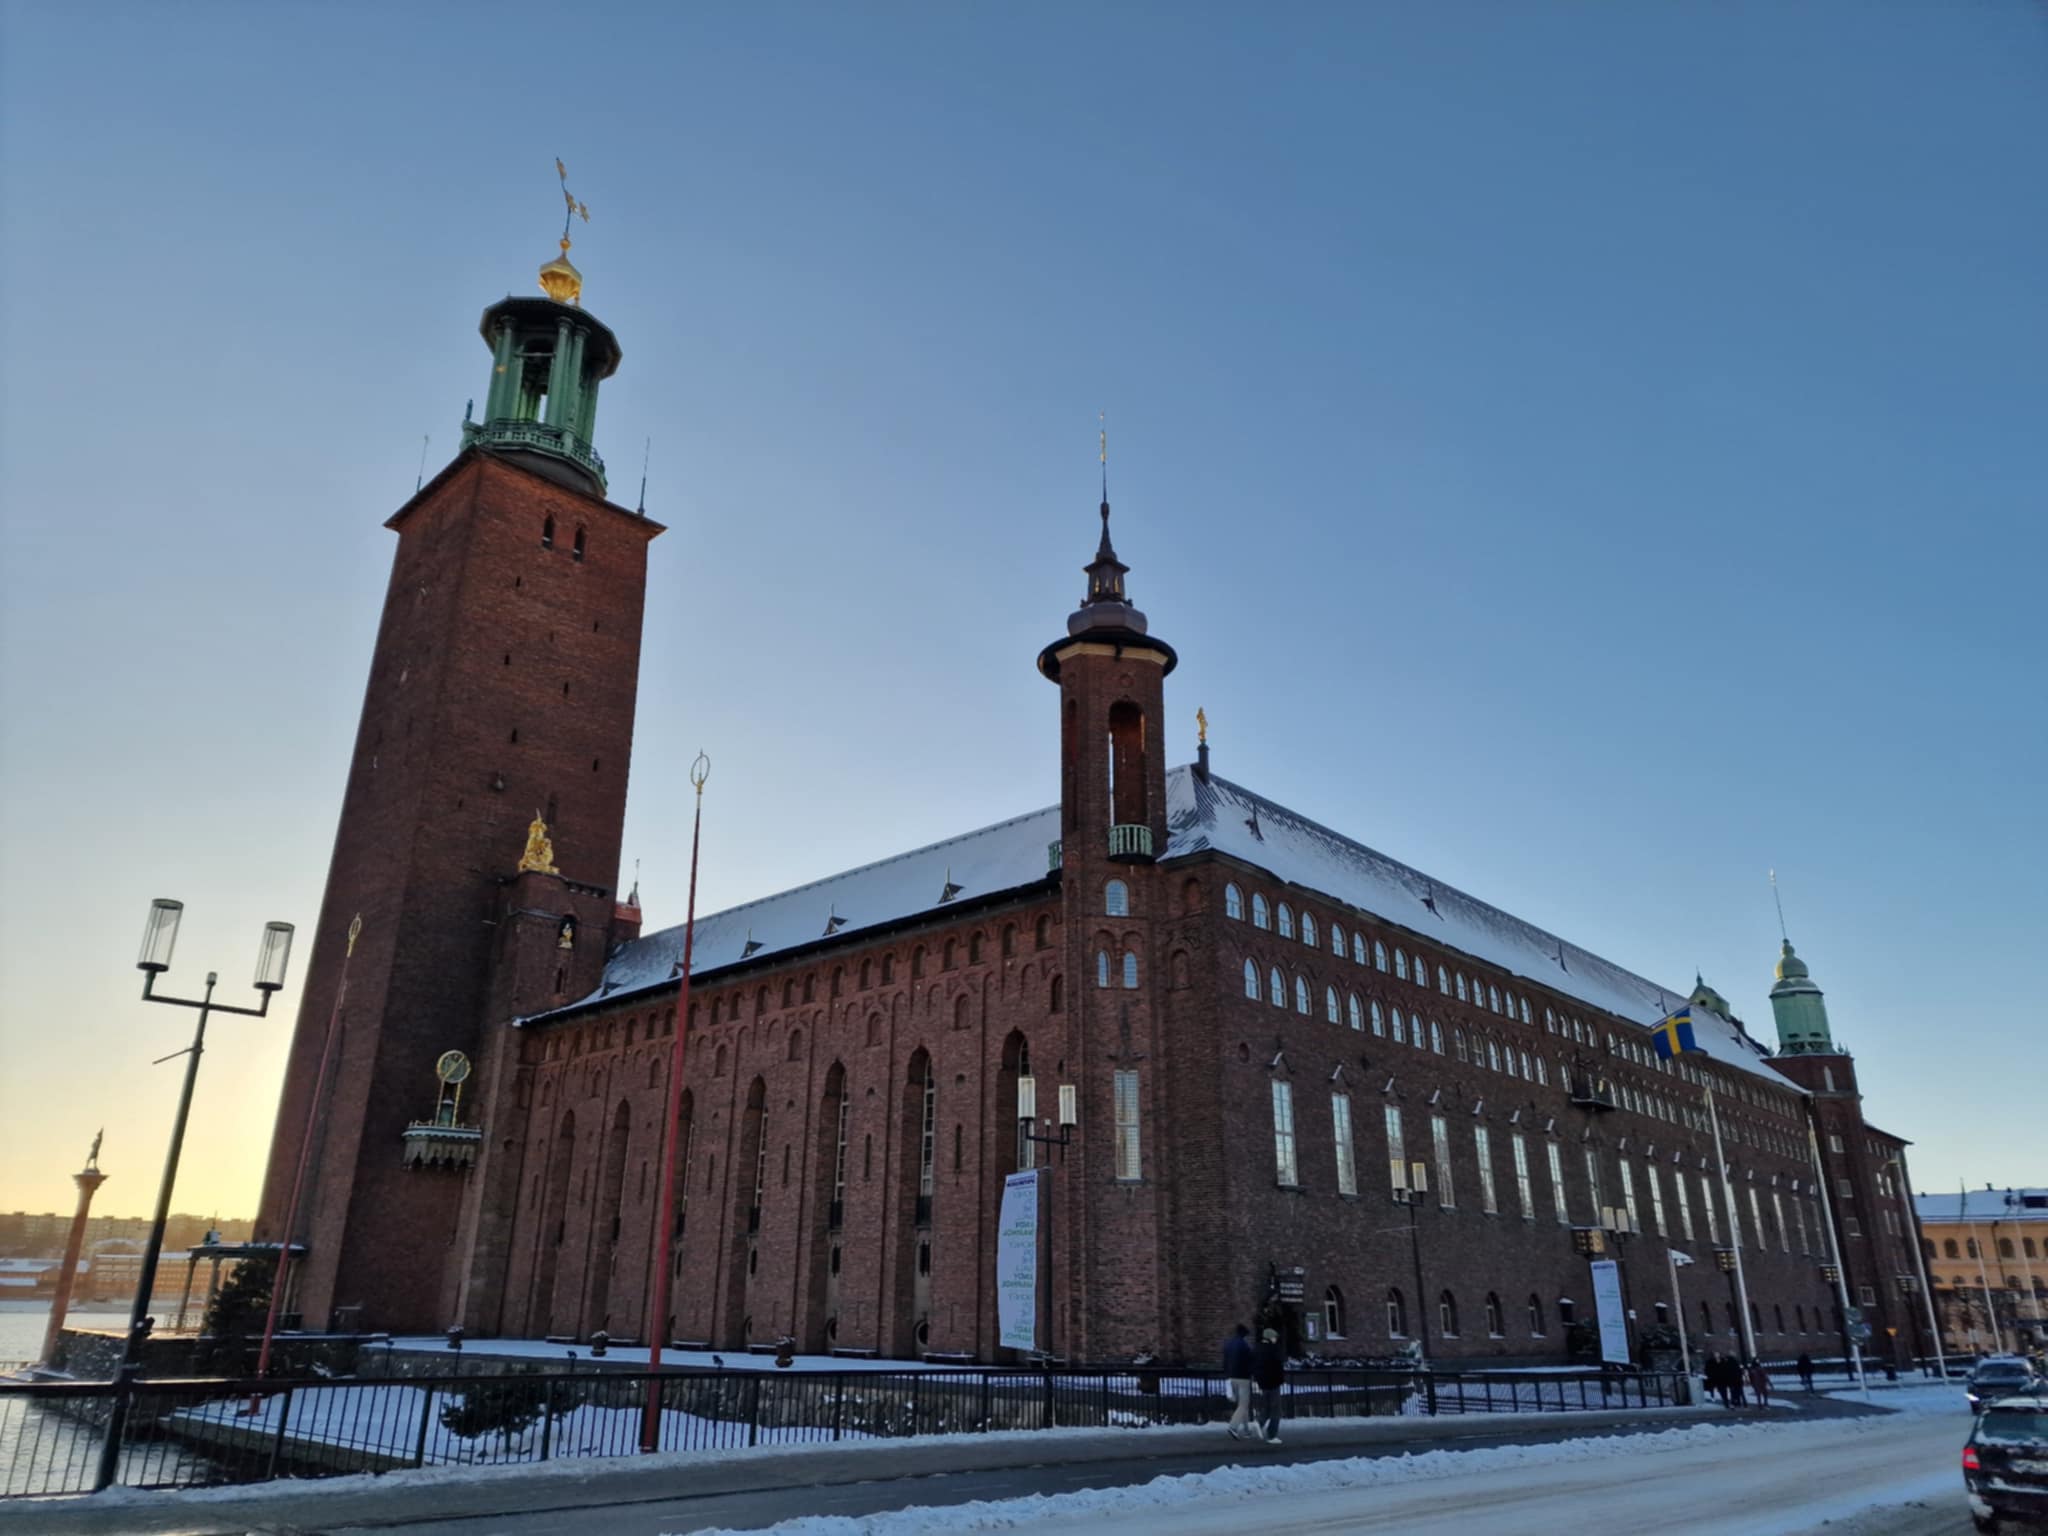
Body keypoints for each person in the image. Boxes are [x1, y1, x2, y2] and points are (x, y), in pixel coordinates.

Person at [1252, 1326, 1287, 1444]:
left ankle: (1259, 1422)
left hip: (1263, 1382)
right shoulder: (1273, 1349)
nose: (1275, 1339)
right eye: (1274, 1337)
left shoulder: (1257, 1348)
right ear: (1269, 1337)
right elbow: (1278, 1365)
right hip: (1273, 1382)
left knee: (1267, 1406)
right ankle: (1272, 1435)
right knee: (1276, 1410)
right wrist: (1281, 1379)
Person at [1221, 1324, 1254, 1439]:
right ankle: (1233, 1427)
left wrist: (1226, 1375)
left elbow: (1224, 1362)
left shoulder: (1228, 1344)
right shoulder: (1245, 1346)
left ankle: (1246, 1429)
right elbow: (1251, 1362)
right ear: (1244, 1334)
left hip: (1231, 1377)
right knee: (1244, 1405)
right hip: (1243, 1378)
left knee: (1240, 1405)